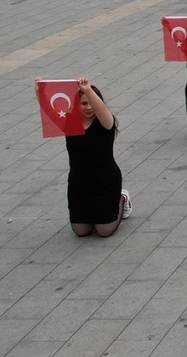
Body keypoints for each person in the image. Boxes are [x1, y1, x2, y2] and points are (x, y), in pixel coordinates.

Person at [38, 76, 130, 237]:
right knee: (81, 231)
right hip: (79, 184)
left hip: (105, 182)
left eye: (91, 103)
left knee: (104, 231)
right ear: (75, 106)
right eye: (83, 104)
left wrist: (87, 90)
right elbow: (48, 109)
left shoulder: (105, 123)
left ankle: (122, 199)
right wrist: (39, 89)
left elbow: (101, 110)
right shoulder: (69, 123)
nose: (89, 108)